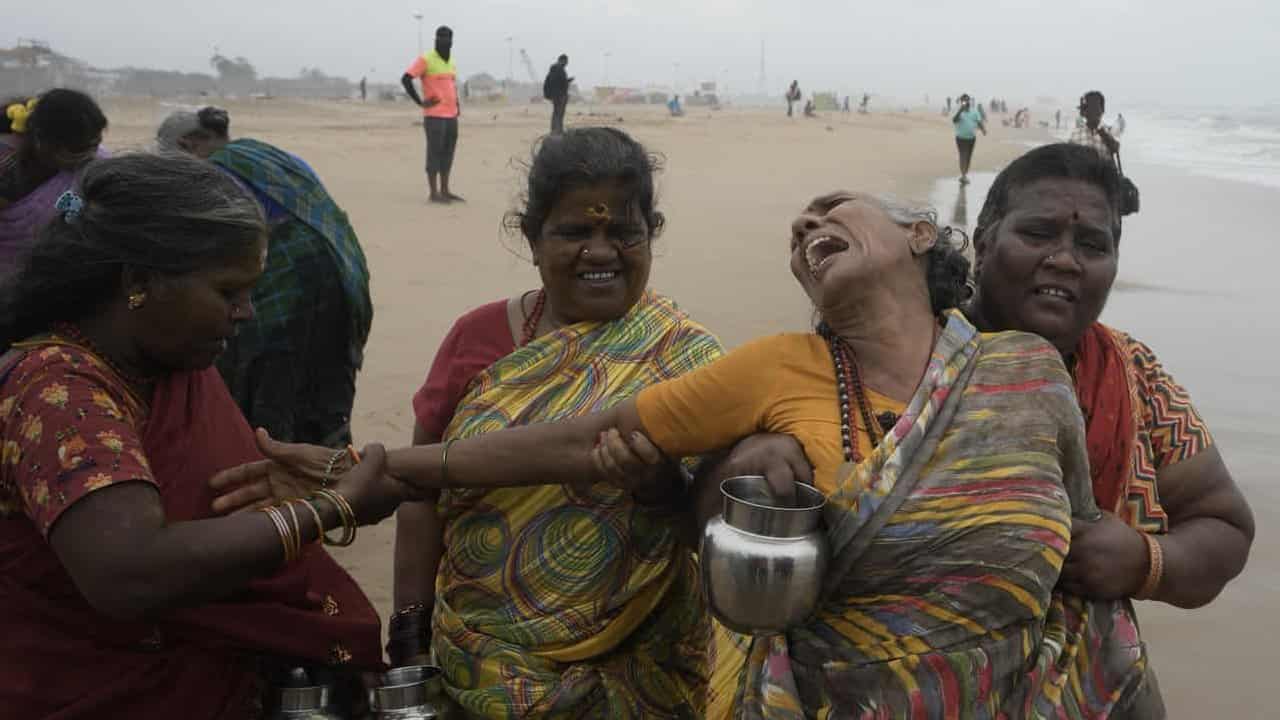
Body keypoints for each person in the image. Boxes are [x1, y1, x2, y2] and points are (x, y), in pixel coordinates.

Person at [233, 190, 1126, 718]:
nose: (808, 226)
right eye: (799, 233)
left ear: (922, 235)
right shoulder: (781, 368)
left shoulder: (1024, 370)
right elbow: (586, 441)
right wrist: (384, 467)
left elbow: (1080, 566)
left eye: (832, 211)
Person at [0, 153, 402, 718]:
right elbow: (128, 574)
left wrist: (302, 492)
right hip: (96, 693)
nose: (246, 313)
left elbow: (223, 511)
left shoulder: (169, 368)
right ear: (138, 282)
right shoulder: (56, 387)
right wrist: (329, 508)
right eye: (228, 292)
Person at [386, 127, 722, 717]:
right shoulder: (477, 339)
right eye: (574, 231)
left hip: (643, 665)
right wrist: (410, 633)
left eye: (623, 232)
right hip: (480, 661)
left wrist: (660, 490)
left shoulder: (687, 358)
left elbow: (710, 529)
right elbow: (420, 492)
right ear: (531, 238)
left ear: (652, 235)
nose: (600, 251)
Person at [966, 142, 1255, 715]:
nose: (1066, 259)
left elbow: (1225, 527)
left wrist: (1143, 562)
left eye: (1091, 244)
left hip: (1088, 690)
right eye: (1039, 233)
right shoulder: (904, 352)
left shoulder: (1132, 376)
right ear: (982, 242)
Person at [156, 107, 373, 448]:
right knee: (324, 373)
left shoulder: (215, 174)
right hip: (341, 274)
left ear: (187, 145)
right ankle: (331, 463)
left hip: (290, 284)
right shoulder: (266, 153)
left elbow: (222, 248)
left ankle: (275, 457)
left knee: (271, 374)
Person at [0, 89, 107, 277]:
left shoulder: (99, 164)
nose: (90, 156)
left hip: (54, 276)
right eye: (78, 150)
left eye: (95, 145)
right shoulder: (8, 167)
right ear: (42, 141)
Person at [402, 25, 463, 203]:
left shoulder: (451, 61)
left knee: (448, 153)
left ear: (452, 41)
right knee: (434, 153)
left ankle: (445, 190)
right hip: (435, 116)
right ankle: (433, 193)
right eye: (440, 37)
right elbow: (406, 79)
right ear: (435, 39)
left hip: (452, 115)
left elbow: (451, 85)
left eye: (447, 38)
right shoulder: (426, 59)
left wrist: (457, 103)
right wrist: (420, 102)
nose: (444, 41)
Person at [1069, 90, 1121, 157]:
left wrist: (1099, 130)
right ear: (1084, 112)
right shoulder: (1075, 135)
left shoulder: (1110, 131)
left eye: (1095, 108)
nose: (1092, 113)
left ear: (1102, 110)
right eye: (1089, 109)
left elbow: (1115, 149)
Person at [952, 93, 986, 185]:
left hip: (971, 138)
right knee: (963, 155)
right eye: (963, 100)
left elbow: (979, 121)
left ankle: (965, 174)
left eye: (967, 100)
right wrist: (960, 111)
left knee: (968, 157)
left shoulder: (974, 111)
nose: (965, 102)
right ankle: (963, 176)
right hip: (960, 138)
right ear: (961, 101)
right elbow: (954, 120)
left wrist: (983, 130)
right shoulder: (958, 110)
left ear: (969, 101)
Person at [543, 54, 573, 134]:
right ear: (562, 60)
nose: (567, 63)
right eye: (566, 61)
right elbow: (560, 82)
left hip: (556, 95)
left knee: (556, 113)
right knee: (559, 113)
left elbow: (555, 82)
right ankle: (557, 130)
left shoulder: (554, 69)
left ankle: (555, 129)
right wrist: (567, 81)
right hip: (559, 95)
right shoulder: (559, 69)